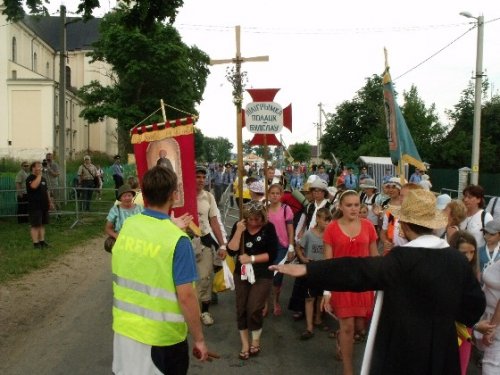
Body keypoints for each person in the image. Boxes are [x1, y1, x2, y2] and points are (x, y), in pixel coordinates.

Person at [271, 189, 486, 375]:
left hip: (402, 349)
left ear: (406, 226)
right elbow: (474, 308)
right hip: (441, 349)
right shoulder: (457, 260)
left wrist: (308, 269)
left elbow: (356, 270)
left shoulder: (399, 260)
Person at [111, 166, 210, 374]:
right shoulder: (178, 240)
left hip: (124, 332)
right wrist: (199, 339)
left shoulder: (129, 226)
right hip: (161, 339)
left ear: (143, 194)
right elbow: (187, 297)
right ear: (174, 195)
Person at [323, 190, 378, 374]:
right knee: (348, 326)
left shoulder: (369, 226)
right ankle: (348, 369)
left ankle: (341, 337)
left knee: (359, 327)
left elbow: (374, 257)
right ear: (341, 206)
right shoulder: (331, 228)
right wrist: (327, 292)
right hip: (341, 284)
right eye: (349, 205)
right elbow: (328, 263)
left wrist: (380, 282)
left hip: (363, 284)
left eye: (356, 205)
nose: (354, 209)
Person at [226, 200, 278, 360]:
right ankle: (245, 344)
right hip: (241, 273)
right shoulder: (240, 225)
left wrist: (252, 258)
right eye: (251, 219)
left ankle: (256, 340)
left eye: (257, 219)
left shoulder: (268, 227)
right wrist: (238, 231)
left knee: (254, 308)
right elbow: (231, 250)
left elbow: (272, 255)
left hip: (262, 273)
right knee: (241, 308)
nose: (254, 223)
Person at [193, 165, 227, 326]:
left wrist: (222, 245)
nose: (200, 180)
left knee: (205, 277)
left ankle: (204, 311)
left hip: (204, 242)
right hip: (184, 242)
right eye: (197, 176)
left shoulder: (208, 197)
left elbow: (214, 221)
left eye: (202, 177)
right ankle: (189, 310)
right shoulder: (180, 197)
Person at [296, 207, 332, 340]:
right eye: (325, 220)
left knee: (320, 297)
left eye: (329, 220)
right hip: (312, 267)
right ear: (317, 219)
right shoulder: (309, 234)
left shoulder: (330, 234)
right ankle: (309, 327)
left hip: (324, 267)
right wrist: (303, 258)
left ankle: (318, 319)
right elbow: (299, 247)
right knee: (310, 297)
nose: (327, 223)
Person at [447, 230, 479, 375]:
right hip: (447, 327)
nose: (469, 257)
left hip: (465, 329)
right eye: (464, 253)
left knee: (461, 367)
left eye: (472, 252)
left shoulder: (473, 272)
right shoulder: (445, 271)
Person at [265, 183, 295, 317]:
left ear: (281, 195)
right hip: (267, 247)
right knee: (266, 276)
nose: (275, 196)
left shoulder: (285, 209)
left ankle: (276, 301)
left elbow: (290, 229)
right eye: (272, 193)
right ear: (268, 195)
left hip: (282, 246)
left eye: (277, 193)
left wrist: (291, 246)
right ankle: (265, 303)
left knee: (277, 276)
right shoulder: (264, 210)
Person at [26, 161, 54, 248]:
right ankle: (36, 243)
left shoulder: (43, 179)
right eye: (38, 166)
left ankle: (42, 241)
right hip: (35, 205)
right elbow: (34, 186)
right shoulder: (30, 178)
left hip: (44, 205)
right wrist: (39, 175)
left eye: (40, 166)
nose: (40, 168)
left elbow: (46, 191)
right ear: (33, 168)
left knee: (42, 224)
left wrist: (50, 202)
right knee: (35, 225)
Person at [460, 184, 493, 249]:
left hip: (478, 256)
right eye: (465, 196)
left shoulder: (486, 217)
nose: (465, 200)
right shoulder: (460, 215)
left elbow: (492, 239)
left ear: (479, 200)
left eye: (470, 197)